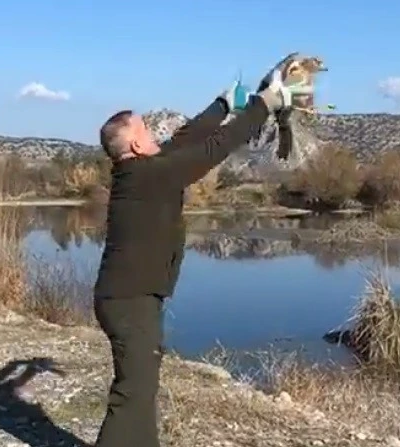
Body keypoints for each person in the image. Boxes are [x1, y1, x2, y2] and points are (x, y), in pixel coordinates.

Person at [92, 52, 299, 447]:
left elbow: (186, 139)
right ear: (136, 143)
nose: (154, 133)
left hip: (132, 298)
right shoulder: (149, 175)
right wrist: (263, 106)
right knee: (132, 393)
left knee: (142, 386)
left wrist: (222, 104)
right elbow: (213, 149)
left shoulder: (143, 170)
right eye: (146, 129)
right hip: (129, 302)